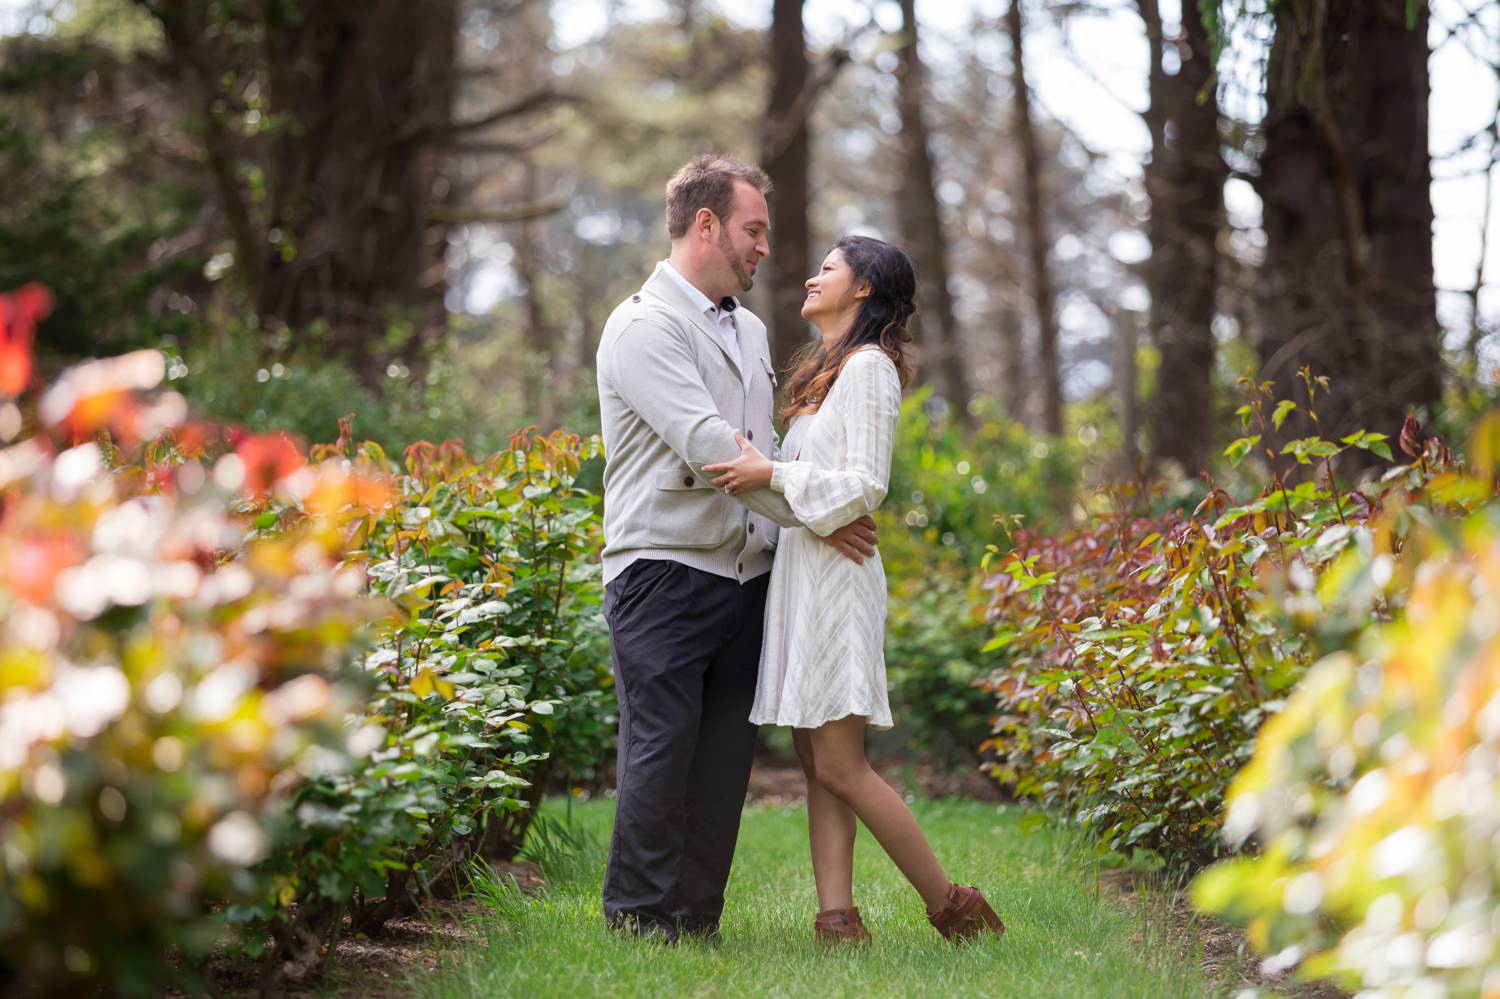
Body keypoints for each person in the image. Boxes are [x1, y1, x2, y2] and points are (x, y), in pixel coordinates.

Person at [594, 154, 878, 942]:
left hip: (747, 574)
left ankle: (694, 919)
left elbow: (769, 449)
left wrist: (812, 497)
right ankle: (640, 920)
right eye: (753, 229)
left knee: (723, 760)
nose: (763, 247)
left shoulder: (749, 328)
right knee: (662, 748)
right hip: (663, 570)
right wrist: (818, 510)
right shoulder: (642, 326)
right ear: (707, 224)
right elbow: (715, 452)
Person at [703, 235, 1005, 945]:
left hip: (838, 584)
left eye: (828, 268)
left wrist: (776, 477)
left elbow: (867, 483)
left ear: (864, 288)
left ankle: (956, 908)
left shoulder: (870, 368)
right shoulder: (829, 374)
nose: (810, 276)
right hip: (806, 575)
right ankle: (836, 919)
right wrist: (794, 492)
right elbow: (810, 490)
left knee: (841, 761)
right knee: (817, 761)